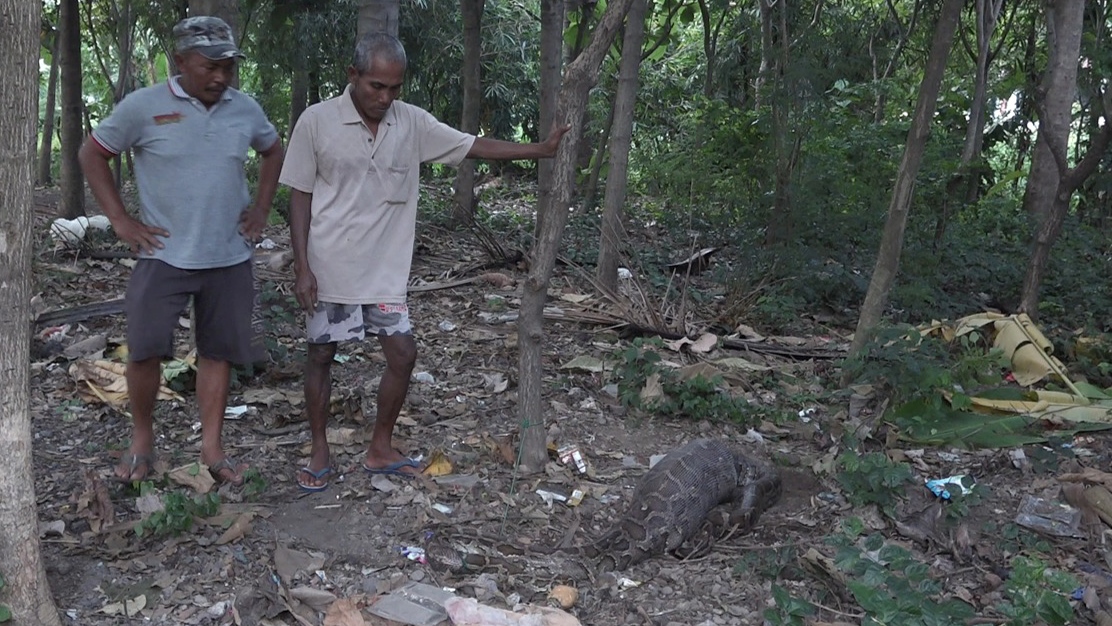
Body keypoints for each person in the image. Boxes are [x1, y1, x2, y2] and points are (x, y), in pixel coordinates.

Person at [279, 32, 568, 491]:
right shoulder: (316, 122)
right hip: (330, 264)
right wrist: (302, 267)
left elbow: (471, 145)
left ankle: (380, 447)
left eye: (394, 88)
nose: (385, 97)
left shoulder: (410, 123)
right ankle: (319, 449)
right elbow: (299, 194)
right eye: (376, 86)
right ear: (352, 76)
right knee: (321, 355)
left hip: (385, 274)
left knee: (402, 353)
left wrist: (539, 150)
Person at [79, 16, 284, 485]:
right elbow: (92, 154)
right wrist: (120, 220)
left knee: (217, 353)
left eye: (228, 67)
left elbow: (273, 151)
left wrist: (261, 208)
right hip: (163, 255)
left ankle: (212, 449)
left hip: (228, 256)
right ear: (180, 62)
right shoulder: (143, 106)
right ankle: (142, 441)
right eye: (210, 66)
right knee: (145, 351)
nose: (220, 77)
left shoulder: (244, 108)